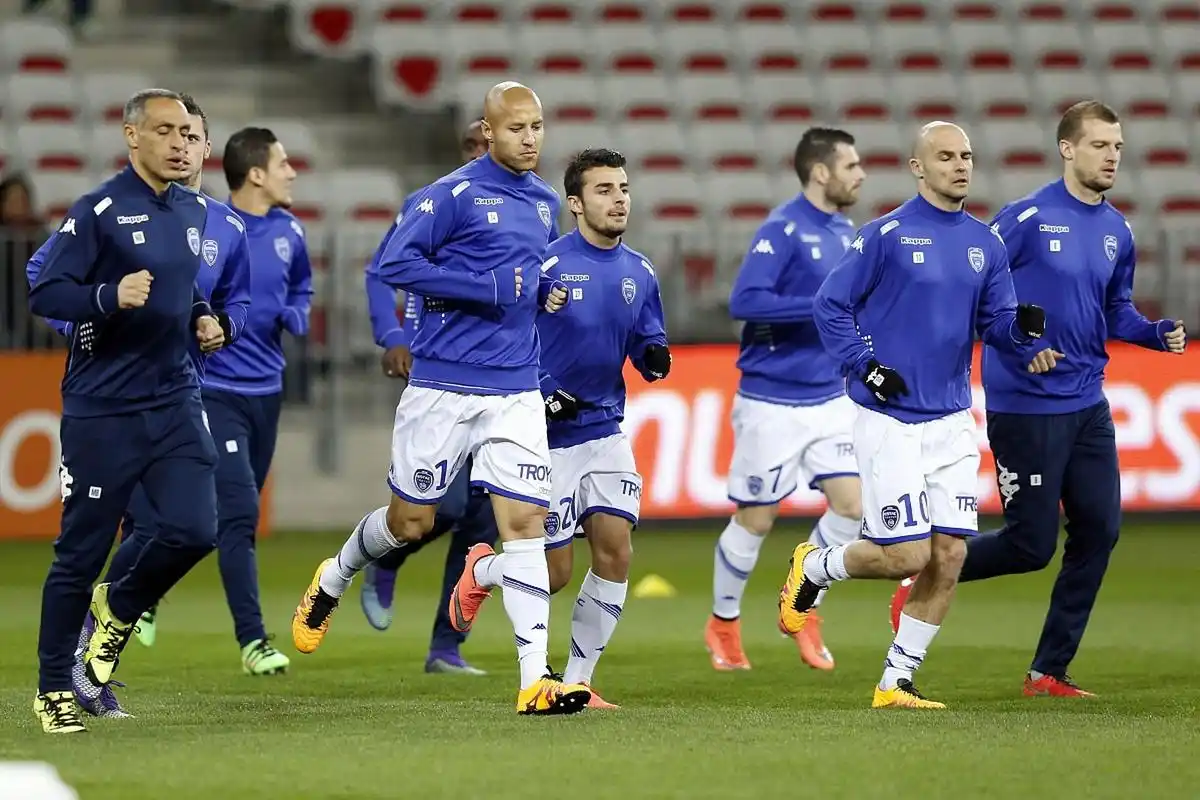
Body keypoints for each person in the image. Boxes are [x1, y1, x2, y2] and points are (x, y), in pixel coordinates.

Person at [290, 81, 590, 715]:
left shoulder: (544, 202)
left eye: (536, 127)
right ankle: (336, 574)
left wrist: (541, 292)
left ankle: (533, 682)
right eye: (516, 128)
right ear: (488, 131)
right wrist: (486, 286)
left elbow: (526, 277)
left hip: (515, 388)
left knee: (524, 527)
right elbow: (393, 265)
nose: (529, 139)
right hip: (442, 387)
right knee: (411, 524)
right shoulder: (449, 196)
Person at [888, 101, 1187, 697]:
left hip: (1088, 403)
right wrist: (1021, 344)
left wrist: (1153, 333)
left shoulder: (1118, 231)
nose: (1112, 157)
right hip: (1025, 404)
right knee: (1030, 545)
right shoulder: (1025, 218)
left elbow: (1115, 310)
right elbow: (974, 287)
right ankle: (922, 578)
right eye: (1099, 145)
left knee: (1099, 532)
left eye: (1118, 147)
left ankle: (1048, 670)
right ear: (1067, 149)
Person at [778, 121, 1061, 710]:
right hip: (890, 418)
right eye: (946, 156)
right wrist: (866, 365)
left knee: (950, 555)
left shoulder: (985, 243)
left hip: (952, 419)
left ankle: (896, 682)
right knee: (905, 557)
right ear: (917, 167)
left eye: (967, 156)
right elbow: (830, 304)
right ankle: (817, 565)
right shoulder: (886, 235)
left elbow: (996, 324)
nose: (960, 165)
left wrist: (1020, 331)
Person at [26, 93, 253, 717]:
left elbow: (193, 291)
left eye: (189, 134)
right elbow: (45, 287)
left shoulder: (198, 214)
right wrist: (104, 300)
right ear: (133, 136)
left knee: (194, 529)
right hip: (104, 404)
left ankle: (115, 609)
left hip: (177, 395)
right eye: (167, 132)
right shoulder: (100, 210)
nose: (181, 144)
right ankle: (57, 686)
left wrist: (209, 319)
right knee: (84, 551)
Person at [108, 124, 309, 679]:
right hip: (215, 389)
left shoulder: (289, 232)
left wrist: (296, 312)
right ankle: (253, 640)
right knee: (239, 515)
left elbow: (295, 288)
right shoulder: (205, 226)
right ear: (256, 174)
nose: (293, 172)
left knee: (209, 516)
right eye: (283, 163)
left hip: (267, 391)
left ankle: (138, 592)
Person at [706, 127, 865, 674]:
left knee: (854, 508)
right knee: (756, 519)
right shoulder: (783, 228)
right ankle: (724, 623)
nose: (861, 174)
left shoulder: (845, 230)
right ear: (821, 172)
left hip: (830, 399)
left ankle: (804, 603)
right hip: (772, 401)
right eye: (850, 166)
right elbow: (746, 300)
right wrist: (822, 305)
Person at [359, 118, 500, 676]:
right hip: (440, 374)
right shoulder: (438, 202)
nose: (479, 151)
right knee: (448, 506)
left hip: (503, 379)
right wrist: (392, 335)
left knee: (484, 522)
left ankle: (447, 646)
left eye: (487, 142)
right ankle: (388, 558)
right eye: (471, 144)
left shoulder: (534, 208)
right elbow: (381, 272)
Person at [537, 147, 670, 708]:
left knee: (616, 553)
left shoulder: (640, 271)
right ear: (575, 203)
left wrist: (653, 354)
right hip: (545, 438)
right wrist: (544, 390)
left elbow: (647, 335)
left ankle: (578, 680)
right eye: (603, 190)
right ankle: (486, 571)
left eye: (623, 189)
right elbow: (510, 341)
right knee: (554, 573)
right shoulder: (546, 266)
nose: (618, 200)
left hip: (605, 430)